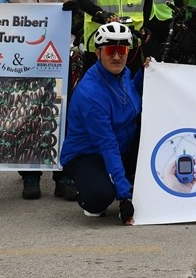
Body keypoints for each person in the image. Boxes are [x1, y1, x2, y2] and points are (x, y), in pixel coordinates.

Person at [0, 0, 78, 201]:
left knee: (61, 112)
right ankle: (31, 173)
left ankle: (63, 175)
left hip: (57, 50)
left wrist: (69, 1)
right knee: (27, 112)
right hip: (22, 52)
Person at [60, 21, 143, 224]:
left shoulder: (124, 74)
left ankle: (117, 178)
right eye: (110, 51)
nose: (117, 56)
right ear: (98, 53)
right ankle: (91, 186)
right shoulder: (91, 94)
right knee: (99, 198)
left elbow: (131, 94)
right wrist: (124, 197)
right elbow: (107, 143)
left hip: (122, 145)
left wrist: (148, 71)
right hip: (86, 153)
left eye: (122, 50)